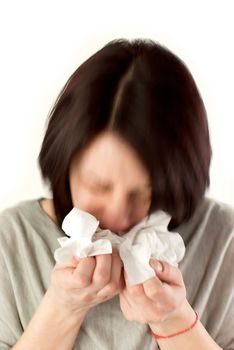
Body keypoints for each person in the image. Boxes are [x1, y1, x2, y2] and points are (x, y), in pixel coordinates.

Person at [0, 38, 233, 350]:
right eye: (98, 185)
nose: (118, 216)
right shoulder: (10, 243)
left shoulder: (224, 242)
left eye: (144, 192)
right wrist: (62, 309)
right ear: (64, 164)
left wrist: (175, 321)